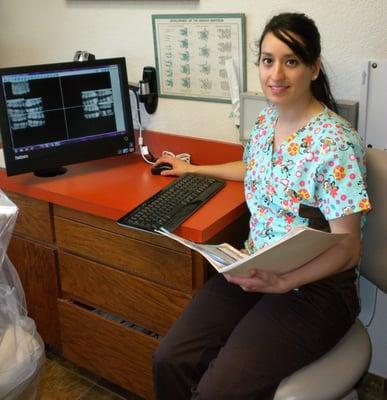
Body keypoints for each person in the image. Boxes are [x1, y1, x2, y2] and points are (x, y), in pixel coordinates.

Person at [152, 12, 371, 400]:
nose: (277, 74)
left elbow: (348, 249)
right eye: (268, 60)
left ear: (314, 68)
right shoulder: (267, 121)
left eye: (291, 61)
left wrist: (284, 282)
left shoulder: (335, 144)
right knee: (169, 359)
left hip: (316, 290)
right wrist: (194, 169)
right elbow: (256, 166)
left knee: (219, 390)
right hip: (255, 265)